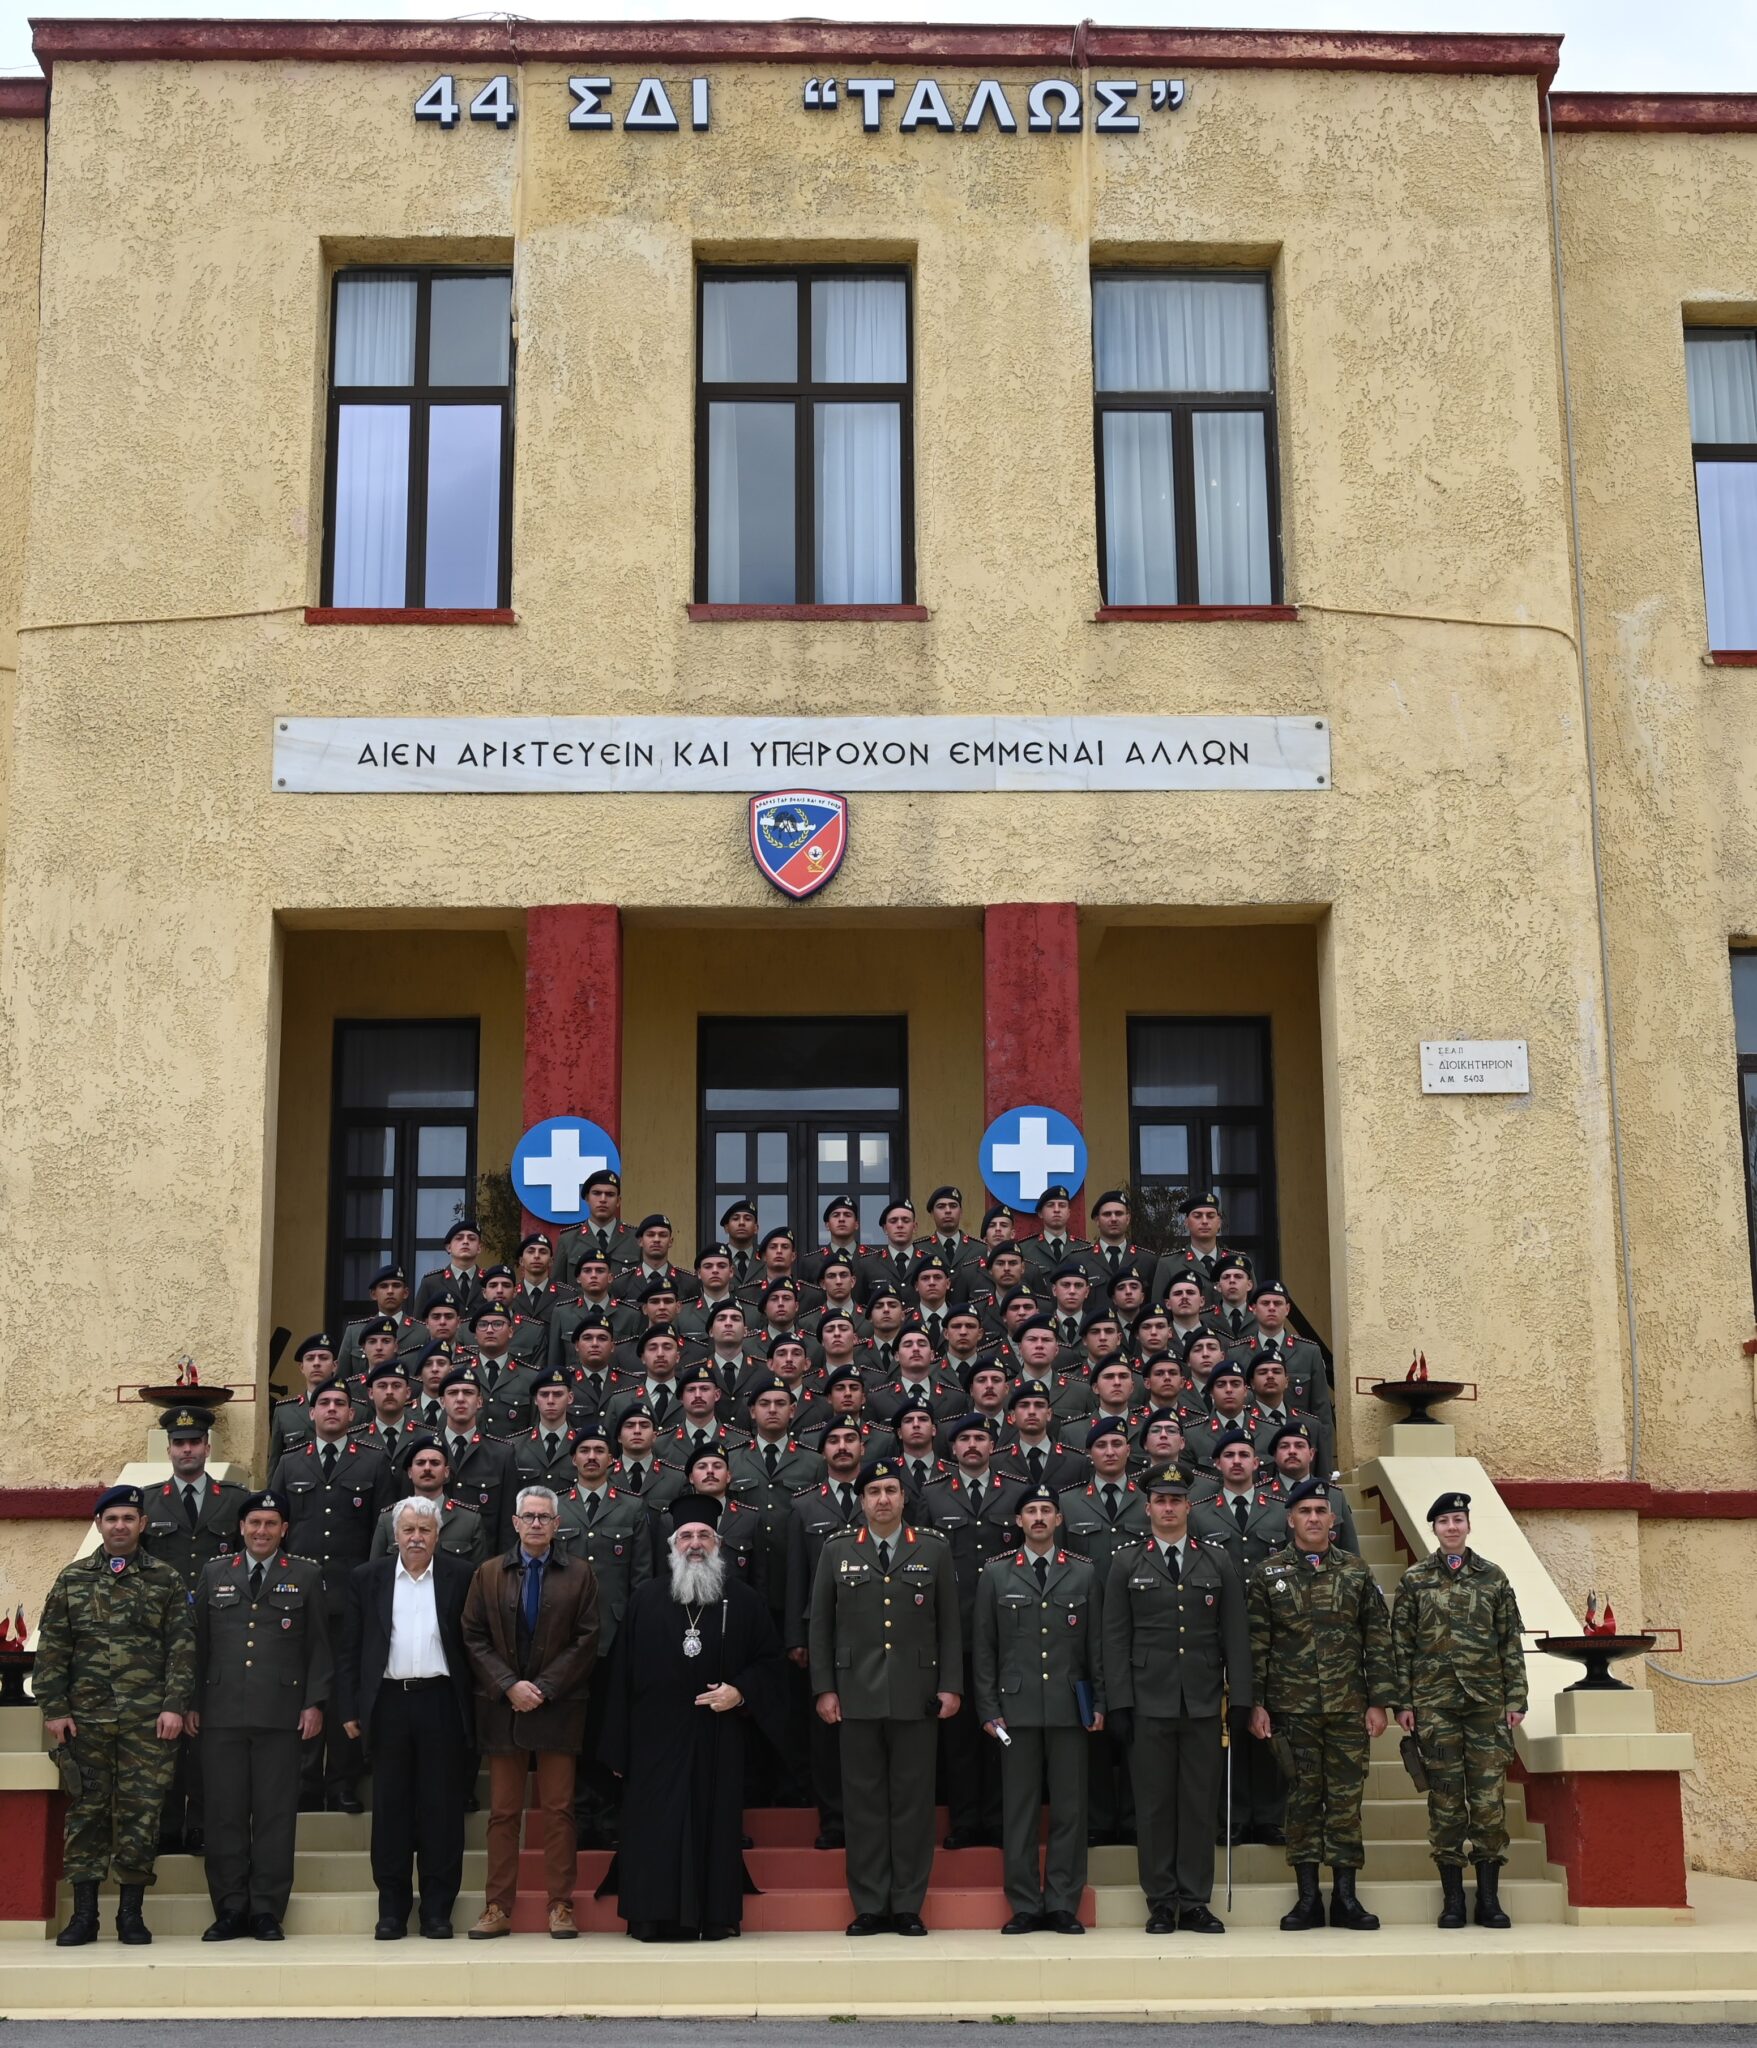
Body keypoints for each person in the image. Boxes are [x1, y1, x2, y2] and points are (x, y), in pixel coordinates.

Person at [598, 1493, 789, 1940]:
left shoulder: (743, 1601)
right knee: (655, 1826)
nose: (695, 1543)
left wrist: (739, 1692)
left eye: (704, 1535)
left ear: (718, 1544)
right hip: (653, 1741)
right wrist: (619, 1748)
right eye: (686, 1536)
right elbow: (620, 1678)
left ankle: (713, 1916)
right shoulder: (645, 1599)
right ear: (673, 1546)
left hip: (717, 1736)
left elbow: (770, 1664)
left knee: (713, 1823)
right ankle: (652, 1918)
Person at [35, 1484, 195, 1947]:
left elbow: (182, 1648)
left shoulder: (165, 1579)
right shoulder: (72, 1579)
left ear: (142, 1524)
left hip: (148, 1722)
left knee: (140, 1813)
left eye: (128, 1518)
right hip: (85, 1721)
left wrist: (174, 1705)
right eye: (112, 1519)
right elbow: (53, 1648)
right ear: (99, 1525)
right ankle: (84, 1916)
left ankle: (131, 1915)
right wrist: (55, 1708)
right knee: (86, 1813)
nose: (120, 1526)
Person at [809, 1455, 961, 1936]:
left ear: (903, 1498)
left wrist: (950, 1685)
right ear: (861, 1501)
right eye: (873, 1492)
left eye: (891, 1491)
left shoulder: (933, 1548)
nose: (882, 1499)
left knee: (914, 1803)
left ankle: (908, 1904)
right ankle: (871, 1904)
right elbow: (820, 1626)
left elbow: (949, 1625)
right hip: (855, 1695)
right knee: (863, 1803)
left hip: (917, 1694)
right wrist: (824, 1688)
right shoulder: (836, 1550)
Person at [1102, 1463, 1249, 1934]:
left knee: (1198, 1803)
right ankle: (1162, 1901)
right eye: (1160, 1501)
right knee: (1154, 1806)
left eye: (1176, 1500)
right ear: (1147, 1508)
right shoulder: (1126, 1562)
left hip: (1204, 1701)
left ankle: (1196, 1900)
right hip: (1148, 1702)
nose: (1168, 1508)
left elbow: (1235, 1635)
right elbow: (1114, 1639)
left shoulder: (1216, 1560)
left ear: (1189, 1506)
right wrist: (1119, 1704)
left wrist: (1241, 1697)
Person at [1247, 1478, 1395, 1932]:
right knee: (1303, 1801)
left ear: (1333, 1520)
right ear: (1290, 1519)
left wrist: (1379, 1701)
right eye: (1304, 1511)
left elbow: (1377, 1637)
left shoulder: (1356, 1571)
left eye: (1320, 1511)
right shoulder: (1268, 1574)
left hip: (1348, 1706)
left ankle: (1346, 1897)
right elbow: (1257, 1644)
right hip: (1292, 1710)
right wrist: (1256, 1703)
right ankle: (1308, 1898)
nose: (1313, 1518)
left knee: (1346, 1802)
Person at [460, 1484, 601, 1939]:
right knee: (503, 1813)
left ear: (557, 1524)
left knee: (559, 1810)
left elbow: (587, 1638)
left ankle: (560, 1904)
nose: (536, 1524)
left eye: (544, 1517)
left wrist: (544, 1687)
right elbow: (473, 1635)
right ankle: (497, 1906)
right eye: (529, 1517)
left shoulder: (580, 1574)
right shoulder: (488, 1573)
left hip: (558, 1706)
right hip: (504, 1708)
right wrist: (508, 1685)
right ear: (515, 1523)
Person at [190, 1488, 330, 1941]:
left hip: (281, 1714)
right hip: (221, 1712)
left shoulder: (305, 1575)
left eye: (271, 1524)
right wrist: (191, 1703)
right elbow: (198, 1644)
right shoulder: (214, 1572)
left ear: (284, 1529)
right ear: (241, 1527)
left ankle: (267, 1909)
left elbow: (319, 1646)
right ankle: (230, 1908)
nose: (262, 1531)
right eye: (254, 1523)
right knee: (224, 1814)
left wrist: (314, 1703)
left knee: (275, 1815)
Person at [338, 1496, 476, 1938]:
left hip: (442, 1701)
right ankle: (392, 1910)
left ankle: (437, 1910)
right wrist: (350, 1707)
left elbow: (474, 1645)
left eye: (425, 1530)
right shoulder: (368, 1577)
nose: (416, 1538)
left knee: (442, 1809)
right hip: (388, 1704)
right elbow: (350, 1648)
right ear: (395, 1534)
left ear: (438, 1534)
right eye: (409, 1530)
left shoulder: (462, 1576)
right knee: (391, 1808)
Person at [1391, 1491, 1529, 1930]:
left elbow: (1509, 1641)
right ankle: (1452, 1899)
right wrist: (1403, 1702)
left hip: (1487, 1704)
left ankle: (1488, 1899)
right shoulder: (1415, 1580)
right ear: (1433, 1529)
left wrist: (1516, 1698)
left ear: (1468, 1525)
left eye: (1458, 1520)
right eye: (1444, 1521)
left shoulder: (1493, 1577)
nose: (1451, 1527)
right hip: (1435, 1706)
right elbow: (1401, 1645)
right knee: (1446, 1801)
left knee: (1488, 1802)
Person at [974, 1482, 1103, 1934]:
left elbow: (1095, 1646)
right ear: (1019, 1521)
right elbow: (984, 1647)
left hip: (1070, 1708)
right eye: (1031, 1511)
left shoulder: (1084, 1573)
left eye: (1047, 1510)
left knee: (1071, 1809)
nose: (1040, 1518)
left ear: (1060, 1519)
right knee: (1020, 1810)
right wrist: (987, 1707)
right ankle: (1025, 1903)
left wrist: (1100, 1702)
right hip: (1016, 1709)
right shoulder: (995, 1574)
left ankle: (1063, 1902)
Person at [268, 1378, 396, 1812]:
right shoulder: (290, 1463)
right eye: (324, 1403)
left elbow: (384, 1531)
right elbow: (275, 1527)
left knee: (345, 1689)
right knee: (301, 1685)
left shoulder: (373, 1462)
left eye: (340, 1403)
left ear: (352, 1413)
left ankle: (342, 1781)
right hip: (298, 1595)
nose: (332, 1409)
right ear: (311, 1412)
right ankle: (305, 1781)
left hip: (351, 1595)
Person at [138, 1401, 242, 1855]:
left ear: (207, 1446)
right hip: (161, 1636)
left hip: (219, 1633)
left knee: (207, 1735)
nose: (187, 1450)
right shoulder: (146, 1501)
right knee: (164, 1731)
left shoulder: (234, 1500)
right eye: (179, 1443)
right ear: (169, 1449)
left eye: (194, 1442)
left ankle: (200, 1823)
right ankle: (165, 1825)